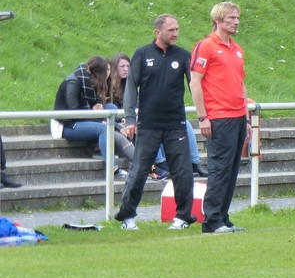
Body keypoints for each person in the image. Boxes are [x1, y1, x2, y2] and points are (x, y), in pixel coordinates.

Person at [114, 15, 197, 231]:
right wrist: (130, 119)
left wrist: (206, 113)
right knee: (140, 170)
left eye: (177, 29)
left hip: (176, 123)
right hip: (148, 124)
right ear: (157, 32)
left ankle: (183, 217)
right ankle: (127, 216)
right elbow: (131, 87)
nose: (176, 34)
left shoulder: (183, 55)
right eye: (171, 30)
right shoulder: (142, 54)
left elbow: (195, 86)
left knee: (182, 171)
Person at [191, 2, 248, 235]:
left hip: (238, 117)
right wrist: (203, 117)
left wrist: (246, 118)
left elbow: (241, 83)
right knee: (219, 169)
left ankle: (223, 217)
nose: (236, 22)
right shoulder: (206, 46)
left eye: (237, 18)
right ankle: (212, 220)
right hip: (219, 117)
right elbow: (195, 82)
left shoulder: (237, 49)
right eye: (231, 18)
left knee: (232, 170)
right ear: (218, 19)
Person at [110, 52, 208, 179]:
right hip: (122, 124)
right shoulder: (109, 88)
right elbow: (109, 111)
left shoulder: (132, 86)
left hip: (139, 118)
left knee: (185, 122)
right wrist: (125, 120)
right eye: (122, 66)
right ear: (114, 68)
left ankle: (194, 162)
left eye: (128, 66)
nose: (125, 69)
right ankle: (160, 162)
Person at [53, 56, 133, 177]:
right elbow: (74, 113)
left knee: (110, 107)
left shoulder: (88, 80)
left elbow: (95, 103)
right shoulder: (73, 83)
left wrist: (98, 107)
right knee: (104, 129)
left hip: (83, 117)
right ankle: (113, 169)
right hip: (66, 124)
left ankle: (100, 147)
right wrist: (108, 123)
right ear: (96, 72)